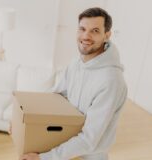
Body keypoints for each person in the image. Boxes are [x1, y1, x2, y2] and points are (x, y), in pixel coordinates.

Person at [21, 7, 127, 160]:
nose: (86, 35)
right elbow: (55, 95)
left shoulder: (111, 81)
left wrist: (45, 158)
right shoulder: (76, 63)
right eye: (82, 29)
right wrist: (22, 121)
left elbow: (90, 138)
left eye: (95, 31)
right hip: (63, 145)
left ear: (107, 35)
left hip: (89, 156)